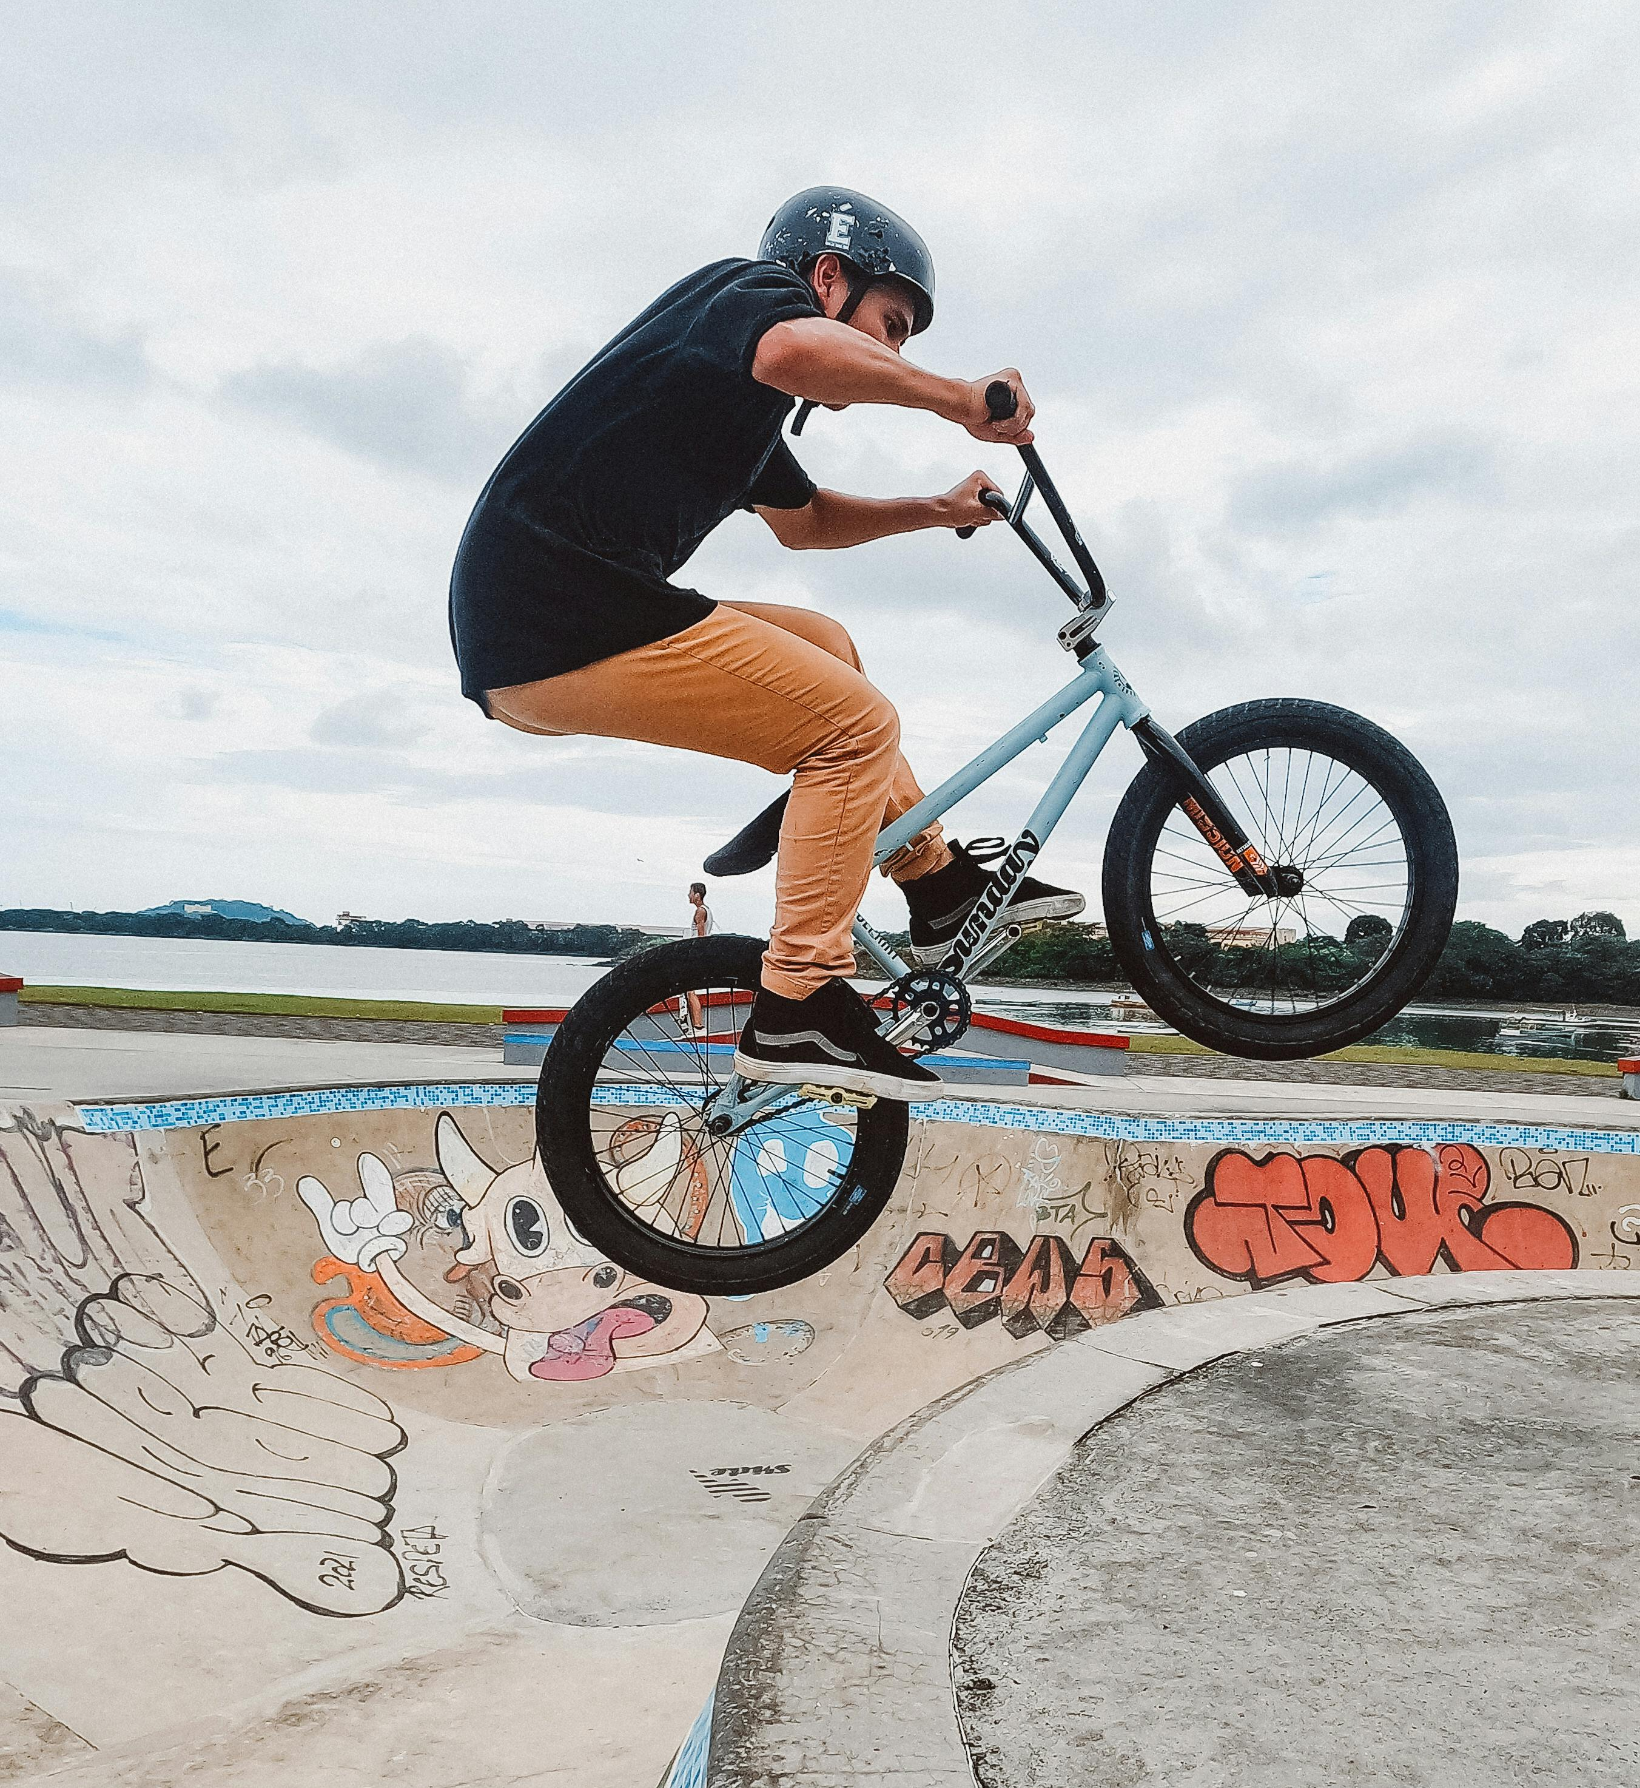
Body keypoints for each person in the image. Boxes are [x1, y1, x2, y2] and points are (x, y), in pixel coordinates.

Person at [450, 187, 1083, 1104]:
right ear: (828, 278)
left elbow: (808, 523)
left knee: (828, 643)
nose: (891, 354)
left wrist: (938, 511)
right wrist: (954, 398)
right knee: (855, 726)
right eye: (889, 325)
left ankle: (935, 887)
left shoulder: (740, 407)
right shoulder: (745, 297)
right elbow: (796, 348)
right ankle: (798, 1005)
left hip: (560, 613)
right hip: (555, 611)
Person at [682, 880, 714, 1034]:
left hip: (696, 954)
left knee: (691, 991)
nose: (688, 895)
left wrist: (697, 955)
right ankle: (695, 1024)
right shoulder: (706, 910)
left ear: (697, 895)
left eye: (690, 892)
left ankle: (698, 1026)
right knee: (690, 991)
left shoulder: (700, 911)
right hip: (698, 953)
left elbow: (700, 935)